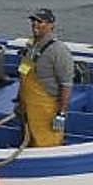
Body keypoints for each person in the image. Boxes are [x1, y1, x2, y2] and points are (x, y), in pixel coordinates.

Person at [16, 8, 74, 147]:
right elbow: (24, 75)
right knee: (28, 141)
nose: (35, 24)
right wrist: (19, 101)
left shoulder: (59, 50)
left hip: (46, 111)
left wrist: (61, 114)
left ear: (51, 25)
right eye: (33, 21)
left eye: (40, 21)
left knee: (47, 144)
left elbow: (66, 84)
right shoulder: (30, 46)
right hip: (27, 108)